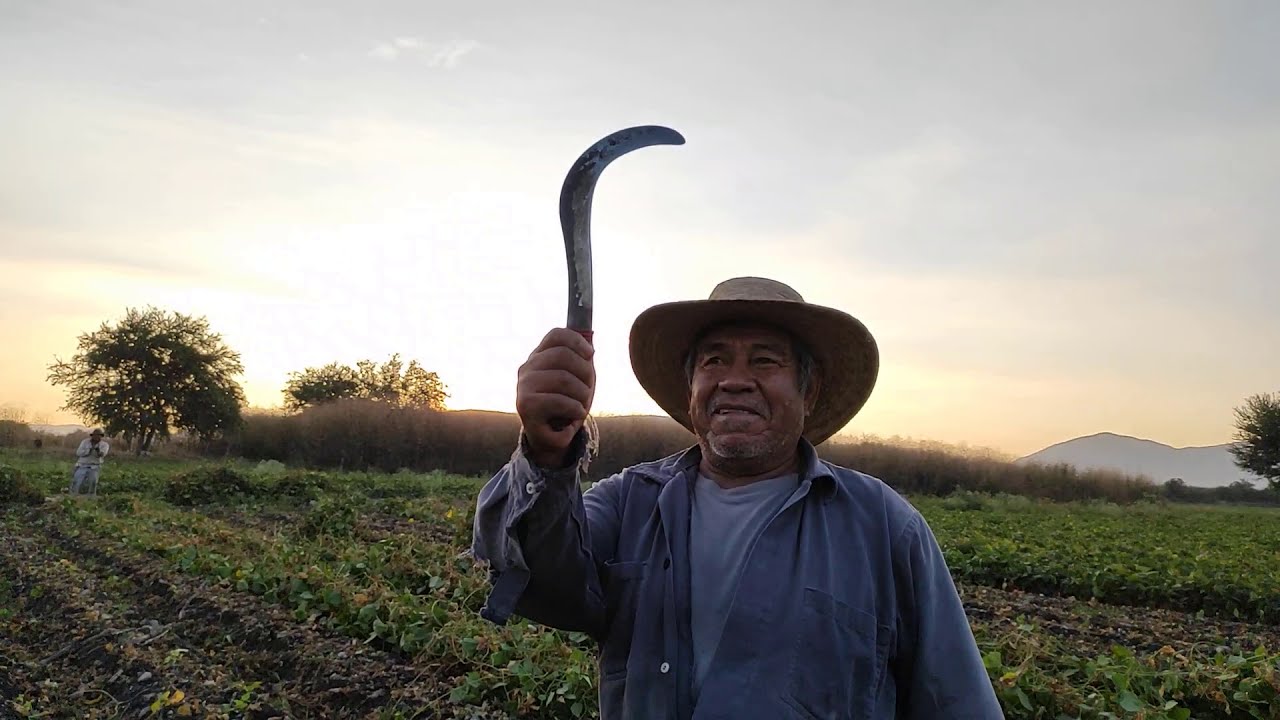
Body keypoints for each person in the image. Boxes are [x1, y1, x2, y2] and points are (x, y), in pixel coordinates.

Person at [471, 277, 1004, 719]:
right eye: (714, 361)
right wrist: (546, 449)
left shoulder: (884, 527)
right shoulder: (629, 502)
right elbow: (539, 581)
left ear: (807, 392)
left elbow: (955, 700)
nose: (735, 381)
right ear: (691, 391)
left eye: (766, 362)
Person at [71, 428, 109, 495]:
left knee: (93, 482)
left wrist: (98, 451)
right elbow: (78, 453)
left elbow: (103, 454)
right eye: (96, 435)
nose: (97, 437)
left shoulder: (104, 445)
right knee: (77, 481)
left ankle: (91, 497)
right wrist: (89, 451)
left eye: (99, 435)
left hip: (94, 466)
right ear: (92, 436)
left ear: (101, 436)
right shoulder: (85, 442)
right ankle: (73, 495)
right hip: (82, 465)